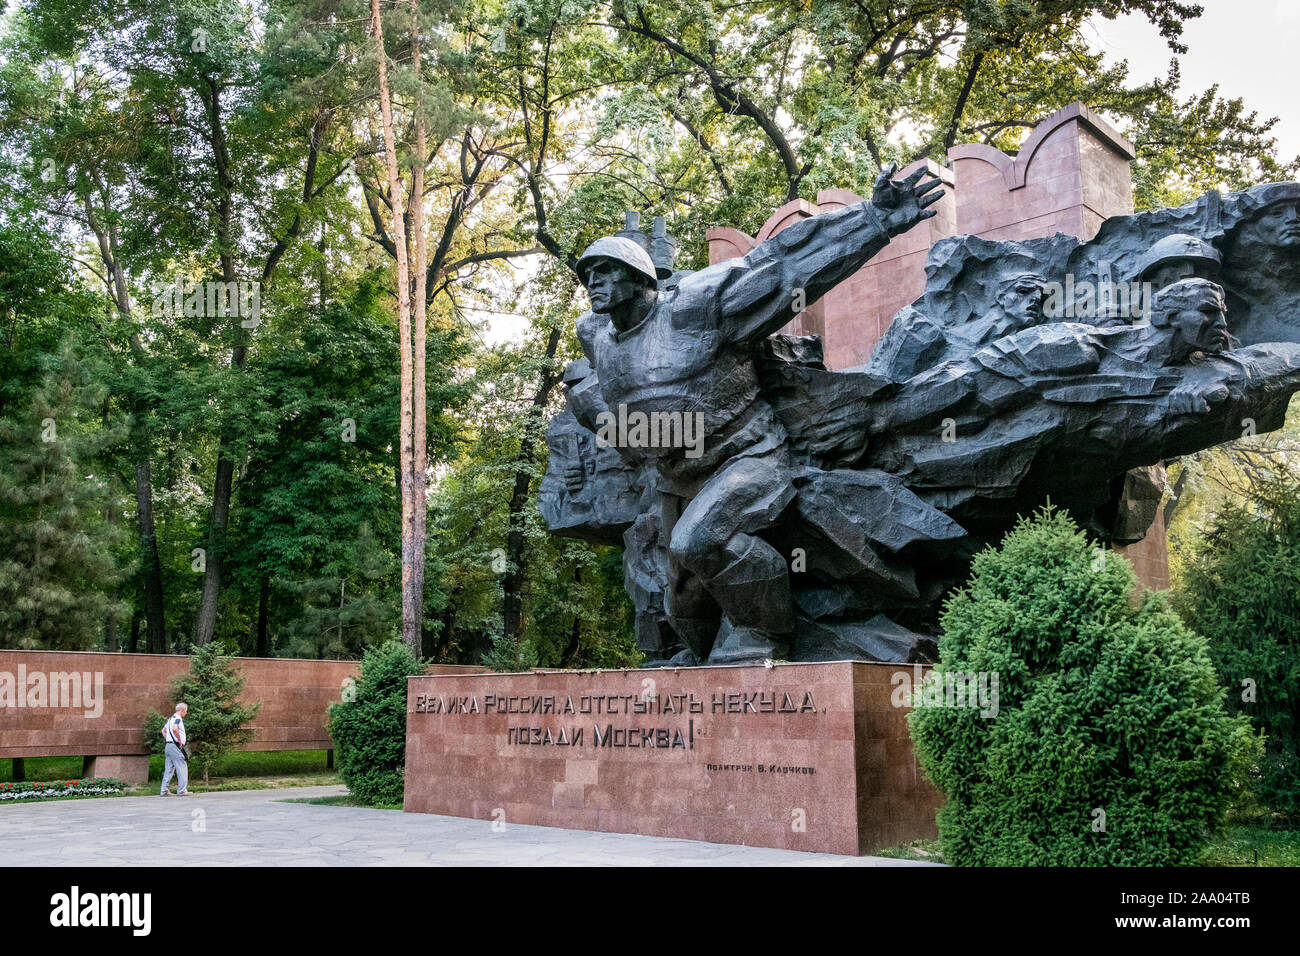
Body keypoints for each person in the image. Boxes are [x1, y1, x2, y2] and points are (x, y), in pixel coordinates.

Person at [569, 163, 942, 662]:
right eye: (588, 276)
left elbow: (785, 266)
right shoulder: (593, 334)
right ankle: (708, 665)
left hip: (747, 458)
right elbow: (603, 390)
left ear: (638, 277)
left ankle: (765, 639)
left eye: (605, 272)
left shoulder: (697, 308)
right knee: (680, 601)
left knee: (699, 542)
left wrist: (875, 220)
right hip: (677, 477)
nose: (593, 283)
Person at [160, 702, 190, 796]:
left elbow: (163, 731)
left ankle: (164, 791)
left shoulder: (170, 719)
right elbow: (174, 728)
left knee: (169, 768)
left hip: (168, 746)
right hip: (175, 747)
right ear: (182, 710)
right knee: (182, 767)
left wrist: (168, 739)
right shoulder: (177, 718)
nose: (186, 713)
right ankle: (182, 791)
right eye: (186, 711)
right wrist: (179, 740)